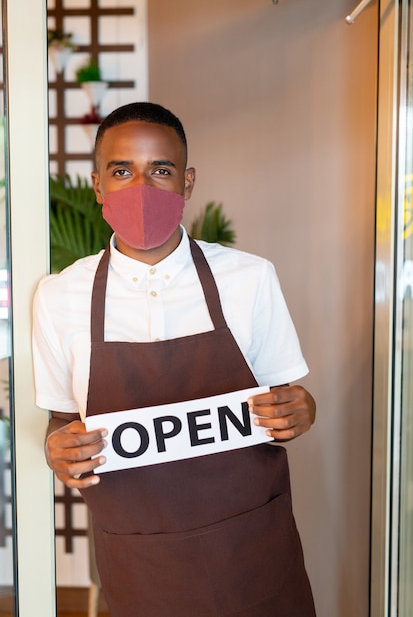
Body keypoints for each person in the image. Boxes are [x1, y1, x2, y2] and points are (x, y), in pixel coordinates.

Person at [33, 102, 316, 616]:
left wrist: (301, 411)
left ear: (187, 183)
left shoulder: (248, 278)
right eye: (122, 171)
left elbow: (287, 399)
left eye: (160, 171)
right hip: (141, 565)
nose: (141, 187)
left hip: (253, 554)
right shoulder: (60, 296)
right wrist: (59, 448)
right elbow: (62, 422)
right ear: (98, 185)